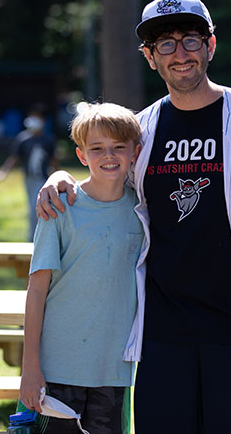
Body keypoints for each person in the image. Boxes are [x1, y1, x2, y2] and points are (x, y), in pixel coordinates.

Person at [36, 0, 231, 433]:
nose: (180, 53)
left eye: (189, 39)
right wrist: (60, 177)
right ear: (150, 58)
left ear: (211, 45)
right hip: (162, 333)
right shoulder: (141, 132)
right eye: (164, 44)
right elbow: (104, 178)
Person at [20, 102, 144, 434]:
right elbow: (36, 292)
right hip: (58, 369)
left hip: (114, 371)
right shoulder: (59, 207)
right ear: (81, 155)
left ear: (136, 151)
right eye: (97, 148)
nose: (109, 155)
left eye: (119, 147)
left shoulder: (143, 210)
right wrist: (30, 366)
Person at [0, 105, 59, 241]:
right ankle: (34, 238)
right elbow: (14, 158)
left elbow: (54, 161)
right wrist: (3, 172)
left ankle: (36, 239)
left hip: (42, 179)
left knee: (38, 208)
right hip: (29, 179)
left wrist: (57, 178)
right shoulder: (23, 139)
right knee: (33, 208)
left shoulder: (48, 140)